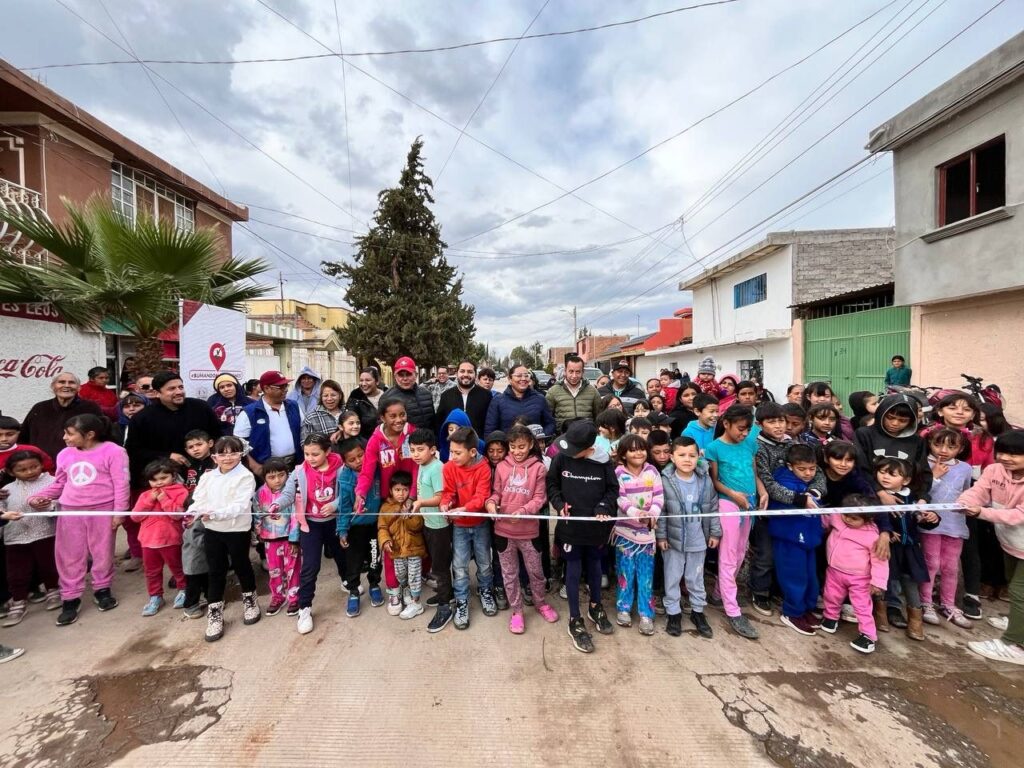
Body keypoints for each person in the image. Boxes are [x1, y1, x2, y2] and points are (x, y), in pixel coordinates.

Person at [28, 413, 129, 627]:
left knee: (102, 551)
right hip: (70, 510)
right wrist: (41, 496)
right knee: (69, 554)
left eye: (70, 433)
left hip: (102, 510)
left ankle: (102, 588)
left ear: (90, 434)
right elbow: (60, 482)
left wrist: (120, 512)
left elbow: (121, 483)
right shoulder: (65, 454)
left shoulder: (114, 452)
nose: (65, 437)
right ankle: (70, 596)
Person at [548, 420, 618, 654]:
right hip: (570, 527)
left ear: (589, 448)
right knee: (573, 568)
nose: (569, 453)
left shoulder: (604, 462)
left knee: (596, 565)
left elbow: (612, 490)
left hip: (596, 527)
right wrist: (559, 505)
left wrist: (603, 507)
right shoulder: (561, 458)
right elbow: (552, 484)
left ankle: (596, 606)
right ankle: (575, 618)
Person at [753, 402, 825, 617]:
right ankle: (760, 591)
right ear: (760, 424)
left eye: (781, 421)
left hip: (799, 511)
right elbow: (767, 481)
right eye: (772, 421)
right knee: (765, 554)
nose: (778, 426)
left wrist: (814, 493)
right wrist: (796, 498)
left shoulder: (793, 444)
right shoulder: (758, 448)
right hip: (768, 508)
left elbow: (817, 472)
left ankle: (780, 591)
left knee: (791, 557)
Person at [186, 435, 259, 642]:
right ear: (214, 456)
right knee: (215, 570)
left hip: (237, 530)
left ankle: (250, 600)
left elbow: (240, 505)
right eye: (222, 454)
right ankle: (215, 612)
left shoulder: (245, 477)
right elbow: (199, 498)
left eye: (233, 453)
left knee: (241, 564)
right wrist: (193, 512)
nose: (228, 458)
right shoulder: (208, 477)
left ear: (240, 454)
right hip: (213, 530)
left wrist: (213, 513)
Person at [486, 424, 557, 635]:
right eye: (513, 446)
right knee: (509, 574)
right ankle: (516, 611)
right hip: (503, 532)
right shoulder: (501, 467)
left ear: (531, 445)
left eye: (521, 447)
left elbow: (540, 498)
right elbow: (496, 493)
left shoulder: (538, 468)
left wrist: (525, 510)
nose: (517, 451)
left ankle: (540, 603)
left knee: (536, 572)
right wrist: (491, 503)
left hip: (529, 532)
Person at [961, 430, 1024, 666]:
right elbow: (979, 491)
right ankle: (1019, 621)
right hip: (1012, 542)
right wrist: (967, 501)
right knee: (1012, 580)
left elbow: (1019, 515)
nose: (1007, 458)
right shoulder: (995, 470)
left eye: (1015, 454)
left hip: (1018, 534)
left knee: (1019, 591)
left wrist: (981, 512)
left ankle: (1015, 644)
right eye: (1003, 452)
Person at [706, 404, 765, 640]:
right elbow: (715, 481)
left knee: (741, 552)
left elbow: (753, 472)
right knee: (728, 554)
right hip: (728, 504)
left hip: (749, 503)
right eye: (740, 429)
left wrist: (762, 492)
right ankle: (732, 609)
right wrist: (733, 495)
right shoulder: (714, 448)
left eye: (747, 429)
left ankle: (720, 593)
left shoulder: (750, 443)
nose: (743, 433)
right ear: (726, 424)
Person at [658, 436, 719, 639]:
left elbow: (713, 506)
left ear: (698, 457)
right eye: (682, 455)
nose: (687, 459)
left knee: (696, 578)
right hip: (674, 541)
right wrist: (661, 536)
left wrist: (714, 532)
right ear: (672, 457)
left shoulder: (704, 479)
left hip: (698, 539)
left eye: (692, 455)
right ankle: (673, 613)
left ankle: (698, 612)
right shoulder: (666, 479)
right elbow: (662, 511)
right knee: (673, 577)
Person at [875, 456, 939, 640]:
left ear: (906, 480)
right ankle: (880, 614)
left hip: (910, 547)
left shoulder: (913, 498)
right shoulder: (877, 497)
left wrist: (931, 518)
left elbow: (920, 519)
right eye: (882, 472)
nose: (885, 477)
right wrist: (885, 530)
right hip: (888, 547)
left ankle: (915, 621)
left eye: (892, 474)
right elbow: (873, 518)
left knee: (910, 581)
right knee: (883, 580)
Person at [124, 371, 222, 490]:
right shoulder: (142, 418)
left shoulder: (201, 408)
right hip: (162, 481)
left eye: (181, 387)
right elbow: (134, 451)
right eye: (171, 389)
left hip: (204, 477)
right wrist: (167, 456)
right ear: (156, 393)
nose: (179, 392)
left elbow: (218, 437)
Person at [819, 495, 890, 654]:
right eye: (846, 515)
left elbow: (880, 560)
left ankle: (868, 636)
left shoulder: (872, 535)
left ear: (867, 518)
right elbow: (825, 520)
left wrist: (877, 582)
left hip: (860, 578)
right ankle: (830, 618)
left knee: (862, 606)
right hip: (834, 571)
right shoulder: (837, 518)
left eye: (854, 518)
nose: (848, 520)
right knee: (831, 596)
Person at [766, 443, 824, 636]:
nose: (808, 473)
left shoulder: (812, 482)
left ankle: (806, 608)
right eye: (802, 469)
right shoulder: (783, 482)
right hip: (790, 537)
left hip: (808, 537)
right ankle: (792, 612)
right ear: (790, 466)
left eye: (812, 468)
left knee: (810, 576)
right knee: (794, 577)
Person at [290, 434, 345, 635]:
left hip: (334, 522)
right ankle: (304, 608)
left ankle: (347, 581)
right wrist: (277, 504)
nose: (310, 458)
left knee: (341, 554)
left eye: (315, 454)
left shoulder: (340, 467)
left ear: (328, 452)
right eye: (306, 454)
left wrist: (336, 504)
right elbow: (288, 493)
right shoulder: (299, 471)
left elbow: (347, 491)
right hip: (310, 526)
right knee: (310, 566)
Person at [442, 426, 495, 629]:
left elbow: (482, 497)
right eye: (450, 451)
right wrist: (445, 504)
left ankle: (486, 591)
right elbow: (448, 492)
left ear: (472, 452)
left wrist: (463, 508)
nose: (452, 456)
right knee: (460, 566)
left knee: (484, 562)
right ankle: (462, 601)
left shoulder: (483, 467)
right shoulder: (448, 468)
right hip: (459, 526)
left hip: (480, 523)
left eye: (457, 453)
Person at [920, 428, 973, 629]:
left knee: (951, 567)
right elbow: (921, 492)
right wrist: (934, 476)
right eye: (938, 444)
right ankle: (926, 602)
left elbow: (967, 493)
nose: (943, 450)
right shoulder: (924, 463)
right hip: (930, 523)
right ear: (929, 444)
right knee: (931, 563)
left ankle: (948, 604)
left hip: (955, 524)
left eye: (951, 446)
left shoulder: (965, 468)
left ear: (960, 448)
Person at [0, 451, 59, 625]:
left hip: (45, 533)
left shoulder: (52, 482)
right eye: (22, 470)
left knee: (48, 564)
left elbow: (61, 502)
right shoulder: (6, 490)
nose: (29, 472)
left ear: (42, 465)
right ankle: (18, 601)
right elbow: (1, 508)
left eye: (34, 467)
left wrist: (49, 505)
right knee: (16, 571)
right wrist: (4, 514)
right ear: (11, 472)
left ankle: (53, 591)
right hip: (15, 536)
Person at [612, 434, 663, 636]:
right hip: (625, 532)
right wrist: (636, 514)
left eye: (641, 448)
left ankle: (646, 613)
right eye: (633, 450)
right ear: (623, 454)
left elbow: (659, 496)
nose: (638, 453)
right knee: (625, 573)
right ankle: (623, 608)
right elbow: (620, 499)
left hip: (648, 535)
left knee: (646, 575)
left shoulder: (652, 471)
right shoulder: (618, 473)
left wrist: (653, 515)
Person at [130, 458, 188, 616]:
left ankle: (184, 590)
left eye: (163, 478)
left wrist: (163, 499)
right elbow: (135, 517)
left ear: (173, 475)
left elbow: (177, 515)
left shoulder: (181, 491)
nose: (159, 483)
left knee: (178, 568)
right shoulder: (145, 495)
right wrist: (150, 500)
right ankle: (155, 596)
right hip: (148, 541)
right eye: (154, 480)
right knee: (151, 571)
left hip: (171, 539)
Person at [408, 428, 452, 632]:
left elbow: (441, 498)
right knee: (437, 563)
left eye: (420, 449)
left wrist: (420, 503)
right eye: (412, 450)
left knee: (440, 567)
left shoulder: (436, 468)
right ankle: (447, 593)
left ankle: (445, 606)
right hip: (428, 523)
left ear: (433, 450)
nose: (415, 454)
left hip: (439, 527)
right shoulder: (423, 466)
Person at [337, 437, 384, 617]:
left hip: (374, 526)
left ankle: (374, 584)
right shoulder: (345, 478)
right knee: (353, 563)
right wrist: (342, 530)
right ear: (345, 462)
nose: (358, 461)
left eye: (361, 456)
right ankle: (354, 591)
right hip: (355, 529)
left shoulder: (377, 471)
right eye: (352, 459)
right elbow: (343, 507)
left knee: (374, 558)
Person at [854, 393, 931, 503]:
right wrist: (881, 493)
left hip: (904, 498)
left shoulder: (916, 441)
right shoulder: (864, 434)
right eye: (890, 418)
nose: (895, 423)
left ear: (911, 420)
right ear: (881, 413)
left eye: (903, 420)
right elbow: (860, 467)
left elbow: (922, 471)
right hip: (869, 496)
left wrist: (922, 498)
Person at [19, 373, 102, 463]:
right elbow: (23, 438)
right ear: (53, 386)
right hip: (41, 467)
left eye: (71, 383)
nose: (66, 386)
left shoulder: (90, 408)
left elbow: (100, 437)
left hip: (78, 464)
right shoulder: (39, 408)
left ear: (78, 387)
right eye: (61, 382)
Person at [377, 470, 427, 620]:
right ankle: (405, 590)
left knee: (414, 576)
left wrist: (408, 515)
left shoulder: (414, 506)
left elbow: (417, 526)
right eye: (397, 490)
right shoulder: (385, 508)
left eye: (405, 490)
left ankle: (415, 601)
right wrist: (385, 541)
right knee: (400, 575)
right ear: (391, 490)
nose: (401, 494)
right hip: (397, 550)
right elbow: (382, 527)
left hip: (414, 549)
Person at [253, 457, 299, 617]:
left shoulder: (290, 492)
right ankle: (278, 597)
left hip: (289, 538)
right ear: (264, 478)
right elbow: (257, 515)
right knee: (274, 570)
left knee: (292, 569)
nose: (277, 480)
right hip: (270, 539)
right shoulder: (260, 494)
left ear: (287, 474)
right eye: (272, 477)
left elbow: (296, 515)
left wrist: (295, 538)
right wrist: (258, 533)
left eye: (281, 475)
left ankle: (294, 597)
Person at [234, 370, 302, 475]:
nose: (285, 390)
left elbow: (305, 431)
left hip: (295, 465)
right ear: (266, 388)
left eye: (286, 386)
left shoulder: (294, 406)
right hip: (265, 469)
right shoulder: (250, 412)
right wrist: (254, 466)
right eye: (281, 387)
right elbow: (238, 442)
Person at [181, 431, 216, 619]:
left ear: (210, 443)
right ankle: (192, 604)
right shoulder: (185, 467)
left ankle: (211, 599)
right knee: (196, 571)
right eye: (190, 447)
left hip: (210, 510)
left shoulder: (217, 463)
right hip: (192, 516)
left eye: (198, 444)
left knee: (209, 568)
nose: (195, 449)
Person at [485, 364, 556, 437]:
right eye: (519, 376)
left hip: (534, 446)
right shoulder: (498, 401)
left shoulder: (540, 399)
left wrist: (539, 437)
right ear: (510, 379)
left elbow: (550, 424)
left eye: (526, 375)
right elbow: (490, 430)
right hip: (508, 447)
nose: (523, 379)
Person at [546, 355, 601, 432]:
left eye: (578, 372)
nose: (574, 376)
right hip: (562, 438)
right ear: (565, 371)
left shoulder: (592, 391)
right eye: (571, 371)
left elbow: (598, 417)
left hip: (587, 438)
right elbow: (548, 418)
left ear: (583, 372)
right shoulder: (553, 391)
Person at [437, 360, 491, 436]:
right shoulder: (446, 396)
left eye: (470, 372)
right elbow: (440, 423)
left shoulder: (486, 395)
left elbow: (490, 424)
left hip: (478, 444)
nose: (466, 374)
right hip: (453, 445)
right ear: (457, 374)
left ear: (475, 375)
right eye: (462, 371)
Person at [382, 356, 436, 431]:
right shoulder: (387, 397)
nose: (405, 379)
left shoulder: (426, 394)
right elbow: (383, 428)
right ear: (395, 376)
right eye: (401, 375)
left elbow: (433, 422)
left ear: (416, 375)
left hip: (428, 441)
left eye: (408, 374)